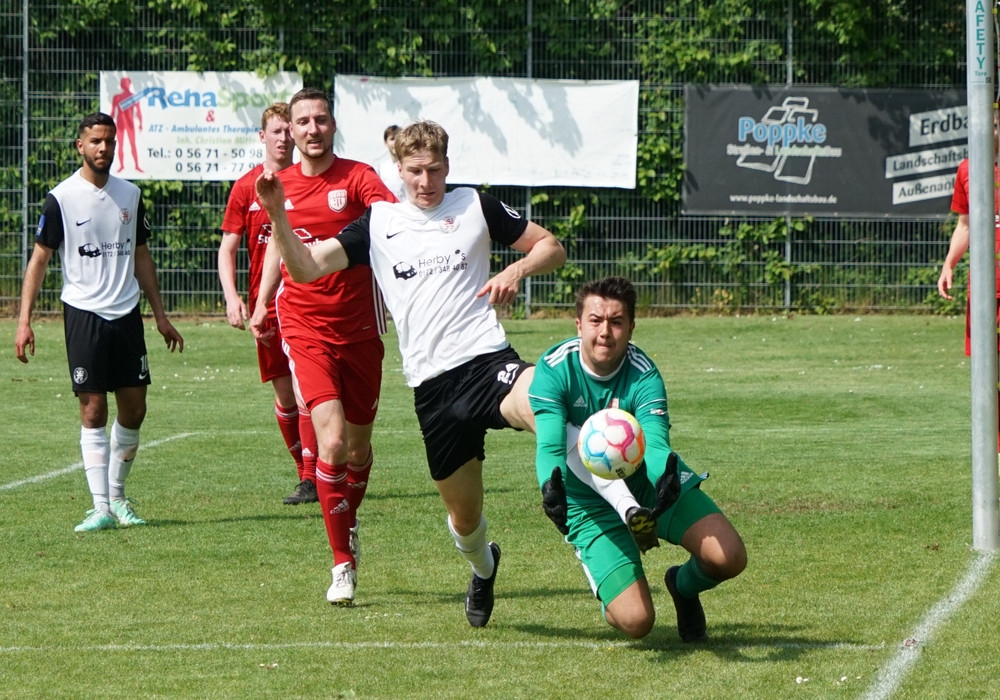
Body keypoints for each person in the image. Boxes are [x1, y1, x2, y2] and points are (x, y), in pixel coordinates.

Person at [253, 119, 568, 626]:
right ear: (398, 170)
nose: (427, 182)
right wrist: (276, 214)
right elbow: (307, 268)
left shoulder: (475, 205)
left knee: (545, 400)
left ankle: (584, 501)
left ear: (448, 166)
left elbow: (551, 246)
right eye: (416, 171)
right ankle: (483, 568)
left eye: (435, 170)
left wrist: (516, 269)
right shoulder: (379, 223)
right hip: (434, 389)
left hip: (488, 360)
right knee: (465, 519)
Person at [528, 276, 747, 641]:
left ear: (631, 327)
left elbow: (656, 445)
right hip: (589, 503)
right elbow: (550, 447)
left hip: (647, 483)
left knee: (729, 557)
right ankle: (612, 586)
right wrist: (550, 488)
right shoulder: (554, 370)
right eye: (596, 320)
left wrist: (664, 480)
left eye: (616, 322)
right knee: (636, 622)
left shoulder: (644, 374)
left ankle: (682, 586)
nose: (605, 332)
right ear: (579, 324)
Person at [249, 88, 396, 605]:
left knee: (358, 449)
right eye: (303, 122)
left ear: (333, 126)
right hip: (304, 326)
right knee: (330, 444)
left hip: (360, 329)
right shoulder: (279, 186)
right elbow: (279, 244)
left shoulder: (358, 178)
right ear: (289, 130)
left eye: (321, 120)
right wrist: (263, 302)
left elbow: (392, 220)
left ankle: (347, 521)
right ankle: (341, 563)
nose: (312, 129)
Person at [15, 111, 184, 532]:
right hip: (84, 312)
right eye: (95, 141)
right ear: (81, 146)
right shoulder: (61, 198)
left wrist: (160, 315)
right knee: (92, 409)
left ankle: (119, 498)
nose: (103, 148)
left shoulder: (131, 194)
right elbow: (39, 260)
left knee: (135, 408)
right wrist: (24, 321)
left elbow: (141, 255)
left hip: (126, 313)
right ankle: (101, 507)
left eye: (109, 141)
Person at [218, 102, 320, 506]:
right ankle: (304, 470)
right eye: (275, 131)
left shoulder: (305, 183)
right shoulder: (246, 187)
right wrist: (231, 297)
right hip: (264, 307)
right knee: (284, 394)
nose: (283, 138)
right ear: (262, 137)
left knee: (304, 388)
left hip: (301, 299)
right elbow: (227, 249)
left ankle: (313, 475)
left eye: (287, 130)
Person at [936, 120, 1000, 450]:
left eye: (995, 124)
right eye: (986, 124)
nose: (990, 131)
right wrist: (949, 264)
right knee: (985, 372)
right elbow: (965, 225)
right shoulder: (967, 169)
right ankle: (992, 451)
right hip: (985, 287)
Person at [109, 77, 143, 174]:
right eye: (123, 83)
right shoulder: (117, 97)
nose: (124, 85)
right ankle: (122, 166)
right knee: (120, 145)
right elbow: (113, 112)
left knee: (132, 144)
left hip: (129, 123)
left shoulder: (133, 97)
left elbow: (138, 111)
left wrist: (141, 123)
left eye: (126, 83)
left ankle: (136, 165)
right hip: (120, 123)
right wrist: (108, 123)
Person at [372, 124, 406, 202]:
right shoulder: (381, 169)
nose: (395, 142)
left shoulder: (410, 166)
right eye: (392, 139)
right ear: (385, 142)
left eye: (398, 138)